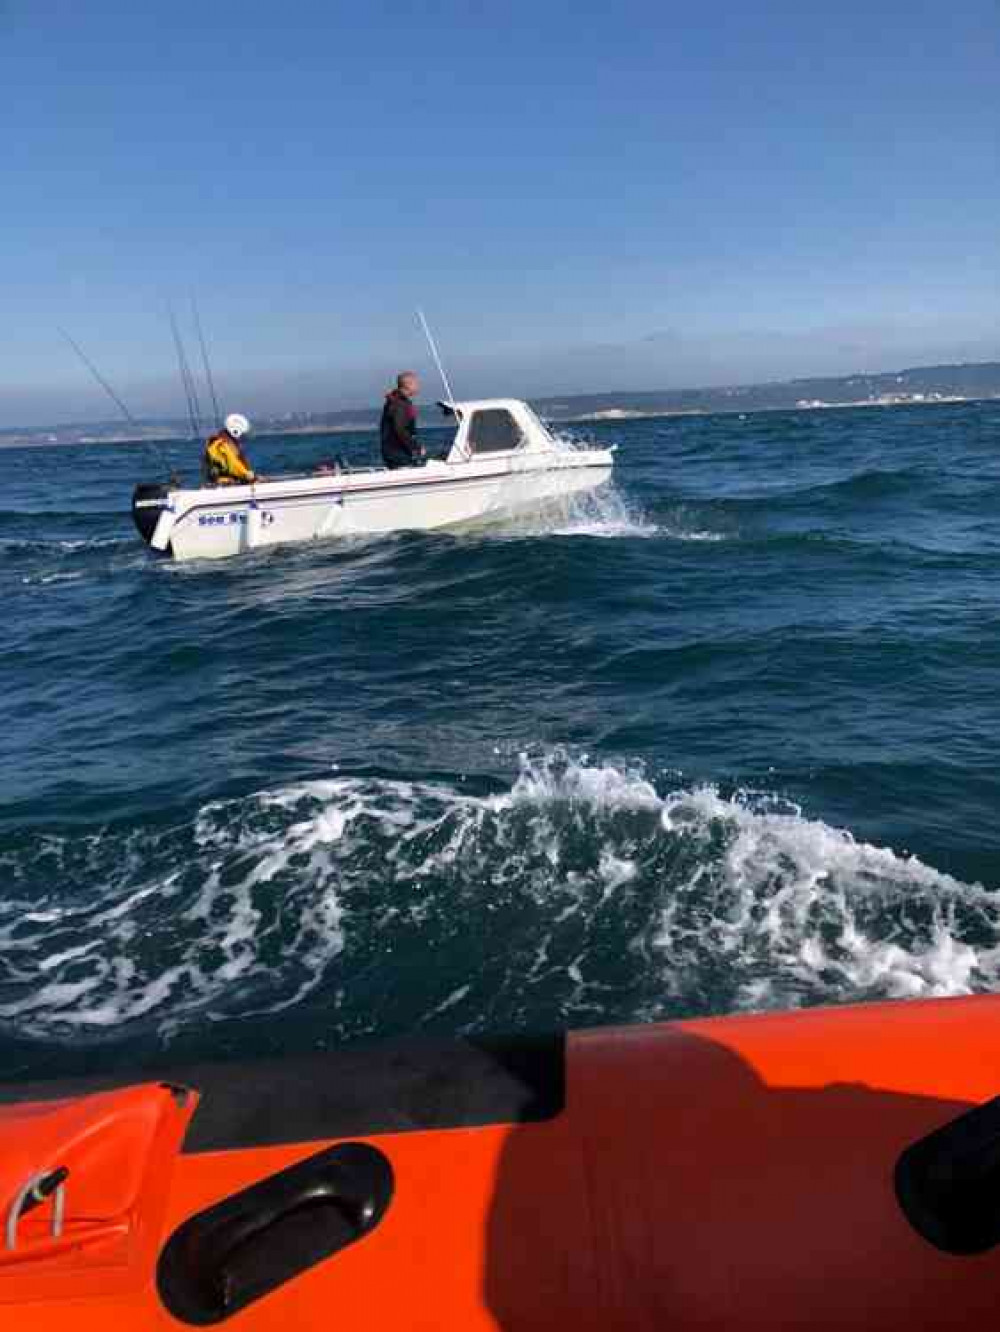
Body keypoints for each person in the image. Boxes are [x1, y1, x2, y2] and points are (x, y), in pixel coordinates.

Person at [380, 372, 426, 469]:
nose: (418, 386)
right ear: (408, 385)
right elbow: (400, 428)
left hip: (394, 451)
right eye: (416, 383)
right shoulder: (400, 404)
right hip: (398, 453)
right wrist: (415, 447)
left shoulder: (396, 401)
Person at [203, 414, 257, 485]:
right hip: (222, 483)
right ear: (235, 432)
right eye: (242, 435)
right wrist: (247, 474)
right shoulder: (221, 446)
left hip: (230, 481)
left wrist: (250, 475)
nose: (242, 439)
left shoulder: (228, 445)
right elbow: (233, 464)